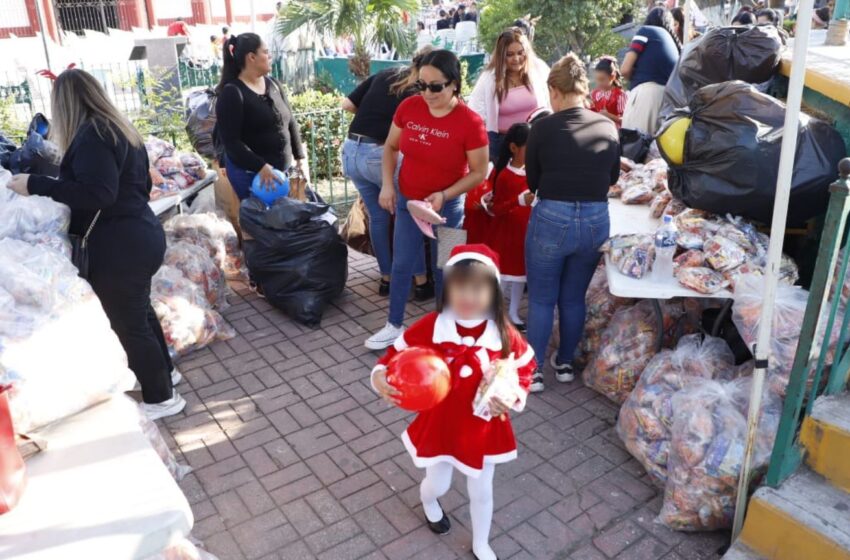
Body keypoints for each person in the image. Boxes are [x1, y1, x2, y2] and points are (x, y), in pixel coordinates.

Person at [7, 69, 185, 419]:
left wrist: (37, 184)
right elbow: (130, 188)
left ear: (65, 103)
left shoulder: (93, 136)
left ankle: (162, 397)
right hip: (139, 234)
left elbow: (99, 193)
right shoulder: (118, 129)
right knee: (140, 314)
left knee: (129, 323)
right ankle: (166, 375)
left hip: (121, 245)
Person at [371, 243, 535, 560]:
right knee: (438, 484)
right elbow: (392, 355)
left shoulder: (503, 332)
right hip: (442, 424)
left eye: (477, 288)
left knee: (481, 489)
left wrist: (513, 394)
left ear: (494, 291)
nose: (467, 297)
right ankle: (429, 503)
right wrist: (379, 375)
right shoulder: (434, 325)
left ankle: (481, 543)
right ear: (447, 288)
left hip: (482, 426)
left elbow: (526, 366)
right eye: (459, 287)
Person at [365, 49, 489, 350]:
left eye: (436, 86)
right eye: (422, 85)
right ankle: (393, 324)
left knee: (446, 266)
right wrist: (387, 186)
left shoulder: (470, 122)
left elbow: (479, 172)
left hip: (448, 209)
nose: (428, 93)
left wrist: (444, 195)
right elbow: (391, 147)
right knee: (402, 262)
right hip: (410, 203)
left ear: (454, 84)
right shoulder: (409, 107)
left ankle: (446, 327)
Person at [524, 53, 620, 393]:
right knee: (573, 296)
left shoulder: (543, 127)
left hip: (552, 216)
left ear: (554, 90)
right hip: (596, 219)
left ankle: (533, 371)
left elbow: (532, 182)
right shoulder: (607, 126)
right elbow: (612, 177)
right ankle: (564, 363)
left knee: (540, 299)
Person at [341, 49, 432, 299]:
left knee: (379, 218)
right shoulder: (422, 89)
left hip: (350, 151)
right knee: (408, 217)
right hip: (378, 153)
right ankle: (422, 282)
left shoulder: (386, 73)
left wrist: (373, 119)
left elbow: (347, 104)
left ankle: (386, 280)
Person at [215, 33, 309, 202]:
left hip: (281, 172)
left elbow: (290, 121)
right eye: (265, 52)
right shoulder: (232, 93)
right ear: (251, 57)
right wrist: (261, 167)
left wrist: (299, 157)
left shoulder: (273, 83)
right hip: (253, 175)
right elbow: (231, 143)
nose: (270, 56)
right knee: (264, 225)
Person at [469, 28, 550, 161]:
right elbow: (474, 110)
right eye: (510, 54)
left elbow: (553, 95)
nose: (516, 59)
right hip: (501, 144)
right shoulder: (489, 77)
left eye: (520, 53)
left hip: (536, 140)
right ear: (501, 56)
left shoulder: (538, 70)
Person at [488, 123, 532, 330]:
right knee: (504, 276)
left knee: (519, 277)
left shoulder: (533, 172)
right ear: (514, 148)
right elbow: (496, 208)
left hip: (525, 233)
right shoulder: (504, 175)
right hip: (506, 235)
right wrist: (518, 201)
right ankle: (494, 311)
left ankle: (513, 311)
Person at [620, 7, 682, 135]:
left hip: (646, 98)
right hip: (667, 103)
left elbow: (625, 69)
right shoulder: (675, 45)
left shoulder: (646, 31)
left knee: (633, 147)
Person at [589, 56, 627, 127]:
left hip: (615, 132)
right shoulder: (595, 94)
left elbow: (626, 120)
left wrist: (609, 116)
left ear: (612, 77)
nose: (599, 83)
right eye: (597, 79)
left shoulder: (620, 95)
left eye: (602, 79)